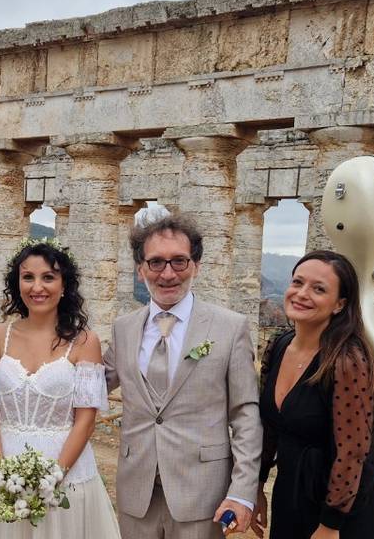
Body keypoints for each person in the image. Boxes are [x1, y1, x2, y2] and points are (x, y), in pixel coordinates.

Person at [103, 213, 262, 538]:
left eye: (179, 261)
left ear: (196, 265)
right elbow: (91, 386)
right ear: (140, 268)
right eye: (156, 262)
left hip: (203, 492)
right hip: (137, 491)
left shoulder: (230, 328)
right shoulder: (124, 328)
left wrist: (242, 490)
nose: (167, 273)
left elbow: (245, 414)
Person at [0, 238, 120, 538]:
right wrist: (1, 474)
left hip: (66, 468)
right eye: (28, 277)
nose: (37, 287)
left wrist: (53, 477)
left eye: (48, 277)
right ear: (17, 284)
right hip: (6, 465)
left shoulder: (84, 341)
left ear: (64, 285)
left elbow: (86, 418)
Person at [251, 250, 374, 539]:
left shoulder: (347, 360)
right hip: (290, 493)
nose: (302, 293)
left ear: (340, 304)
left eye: (318, 289)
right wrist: (258, 485)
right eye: (297, 282)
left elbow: (353, 452)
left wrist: (330, 524)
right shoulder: (279, 346)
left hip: (338, 508)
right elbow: (270, 427)